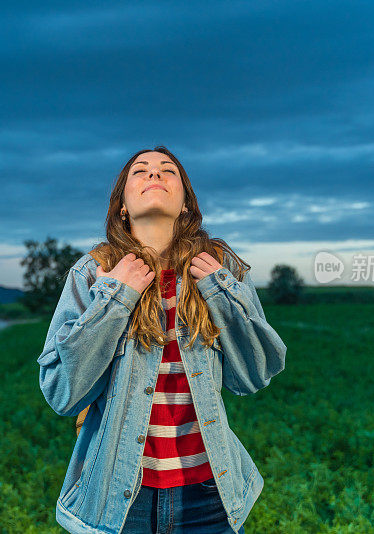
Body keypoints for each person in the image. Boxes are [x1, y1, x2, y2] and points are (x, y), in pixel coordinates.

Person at [37, 146, 287, 533]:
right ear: (122, 205)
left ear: (186, 203)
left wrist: (219, 289)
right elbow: (61, 393)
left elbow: (253, 375)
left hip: (209, 494)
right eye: (141, 170)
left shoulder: (222, 268)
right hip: (120, 496)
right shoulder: (94, 273)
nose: (155, 174)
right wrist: (116, 298)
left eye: (168, 170)